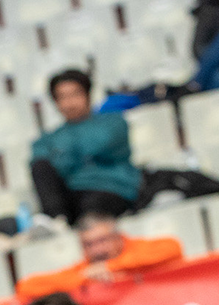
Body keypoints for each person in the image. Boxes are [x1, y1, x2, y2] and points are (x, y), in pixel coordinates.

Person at [29, 70, 140, 224]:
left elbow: (101, 146)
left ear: (88, 95)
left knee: (91, 210)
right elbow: (41, 162)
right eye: (62, 97)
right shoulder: (49, 138)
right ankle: (56, 222)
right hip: (72, 195)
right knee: (40, 167)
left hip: (110, 189)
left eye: (75, 94)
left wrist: (63, 155)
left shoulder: (112, 122)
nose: (69, 102)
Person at [15, 212, 184, 299]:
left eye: (103, 241)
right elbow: (26, 287)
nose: (97, 250)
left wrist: (111, 267)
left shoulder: (140, 249)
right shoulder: (86, 270)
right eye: (88, 245)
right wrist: (85, 279)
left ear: (119, 237)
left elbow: (173, 248)